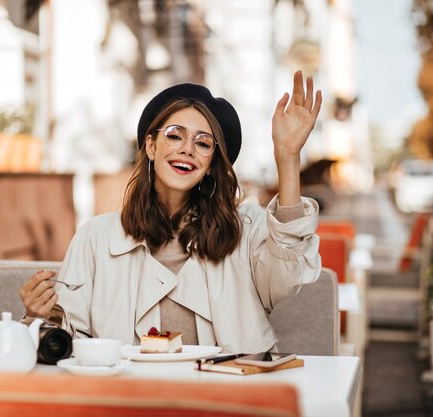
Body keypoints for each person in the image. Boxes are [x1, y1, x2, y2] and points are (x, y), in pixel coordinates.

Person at [20, 70, 323, 354]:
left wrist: (287, 158)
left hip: (226, 399)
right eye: (175, 135)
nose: (187, 149)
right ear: (151, 146)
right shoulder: (95, 238)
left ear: (210, 165)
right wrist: (36, 316)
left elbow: (287, 273)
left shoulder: (245, 230)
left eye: (203, 143)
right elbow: (70, 342)